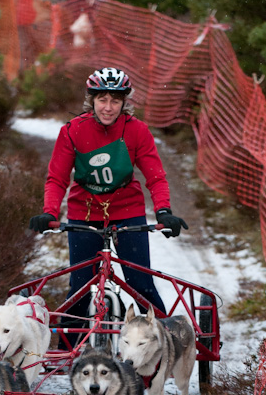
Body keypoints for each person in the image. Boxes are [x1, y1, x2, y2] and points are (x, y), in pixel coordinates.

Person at [29, 67, 188, 344]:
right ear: (91, 100)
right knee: (79, 287)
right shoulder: (72, 131)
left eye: (115, 100)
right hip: (84, 213)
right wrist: (49, 212)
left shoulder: (137, 131)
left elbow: (155, 175)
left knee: (140, 285)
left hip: (128, 212)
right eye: (102, 99)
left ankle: (166, 344)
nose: (108, 107)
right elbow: (56, 177)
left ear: (125, 102)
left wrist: (163, 210)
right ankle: (71, 350)